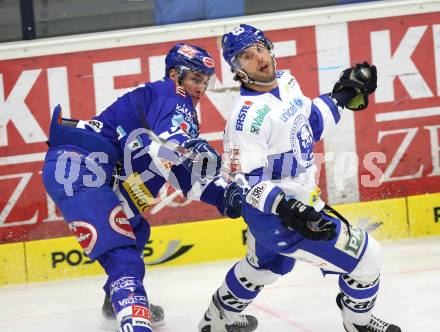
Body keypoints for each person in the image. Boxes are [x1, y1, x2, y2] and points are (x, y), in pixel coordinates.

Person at [198, 24, 401, 332]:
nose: (259, 58)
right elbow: (244, 184)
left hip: (293, 207)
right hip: (278, 219)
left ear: (269, 47)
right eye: (247, 56)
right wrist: (289, 210)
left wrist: (343, 94)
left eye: (260, 48)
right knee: (369, 258)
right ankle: (356, 322)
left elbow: (308, 123)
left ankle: (215, 319)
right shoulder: (246, 117)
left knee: (263, 269)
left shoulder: (286, 81)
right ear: (238, 70)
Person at [42, 43, 242, 332]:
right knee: (124, 257)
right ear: (175, 74)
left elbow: (177, 167)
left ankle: (116, 300)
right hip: (80, 166)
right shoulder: (173, 95)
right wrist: (197, 157)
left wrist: (224, 197)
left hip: (85, 168)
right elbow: (176, 143)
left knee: (136, 229)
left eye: (205, 81)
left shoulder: (161, 104)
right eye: (194, 79)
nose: (200, 88)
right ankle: (135, 323)